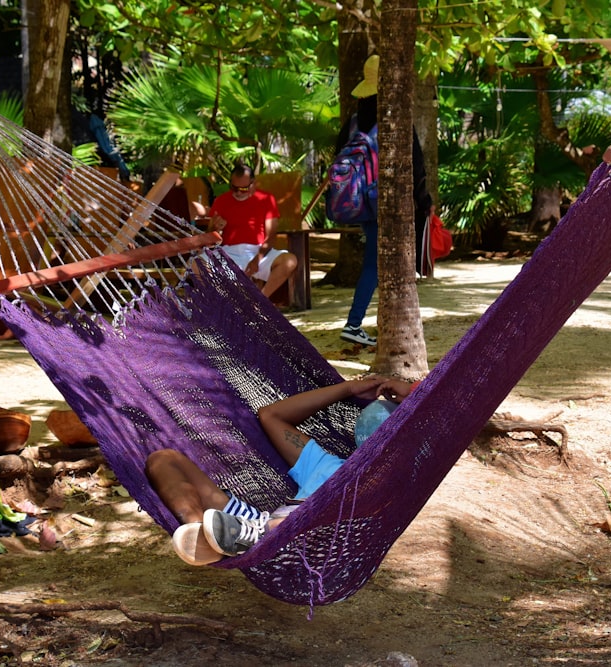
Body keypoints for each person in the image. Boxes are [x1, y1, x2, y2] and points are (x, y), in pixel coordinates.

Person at [144, 376, 417, 566]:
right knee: (163, 460)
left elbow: (447, 407)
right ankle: (201, 533)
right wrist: (347, 389)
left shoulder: (388, 486)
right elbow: (271, 416)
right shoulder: (326, 466)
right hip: (252, 527)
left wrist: (415, 394)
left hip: (294, 542)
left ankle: (241, 536)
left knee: (280, 525)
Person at [338, 55, 433, 347]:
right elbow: (415, 164)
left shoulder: (354, 122)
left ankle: (363, 322)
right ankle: (354, 324)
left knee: (377, 261)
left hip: (361, 204)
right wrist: (423, 198)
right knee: (377, 265)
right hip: (389, 203)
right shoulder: (395, 122)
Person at [206, 164, 298, 299]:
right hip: (228, 252)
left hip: (258, 251)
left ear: (253, 184)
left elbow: (271, 235)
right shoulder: (221, 201)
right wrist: (215, 228)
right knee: (198, 263)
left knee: (289, 260)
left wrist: (257, 259)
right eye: (234, 188)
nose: (238, 192)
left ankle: (261, 301)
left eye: (243, 188)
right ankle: (225, 301)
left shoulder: (266, 199)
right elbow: (208, 236)